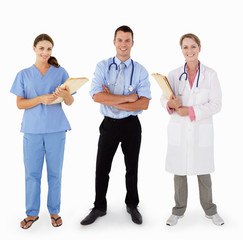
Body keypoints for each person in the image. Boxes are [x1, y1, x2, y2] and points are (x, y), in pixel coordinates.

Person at [80, 25, 151, 225]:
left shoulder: (141, 70)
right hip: (109, 125)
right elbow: (96, 96)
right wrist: (129, 98)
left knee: (132, 168)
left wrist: (110, 98)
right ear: (114, 42)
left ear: (132, 43)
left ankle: (132, 205)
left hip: (131, 126)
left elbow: (144, 103)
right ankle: (99, 207)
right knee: (102, 167)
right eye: (120, 40)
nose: (123, 44)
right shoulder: (102, 66)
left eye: (127, 40)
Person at [10, 34, 74, 229]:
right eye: (41, 48)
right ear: (34, 49)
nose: (45, 53)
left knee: (55, 173)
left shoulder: (60, 72)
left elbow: (70, 102)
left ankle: (54, 211)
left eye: (49, 49)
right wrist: (40, 99)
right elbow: (20, 103)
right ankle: (31, 213)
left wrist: (66, 95)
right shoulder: (23, 74)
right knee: (32, 174)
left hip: (56, 130)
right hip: (32, 131)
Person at [160, 33, 224, 226]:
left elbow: (216, 105)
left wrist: (190, 110)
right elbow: (164, 98)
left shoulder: (210, 75)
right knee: (179, 172)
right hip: (179, 130)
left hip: (200, 130)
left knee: (203, 172)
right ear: (181, 50)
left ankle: (210, 210)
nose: (190, 51)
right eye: (186, 47)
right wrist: (170, 104)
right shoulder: (172, 74)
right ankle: (178, 211)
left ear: (199, 48)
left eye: (193, 46)